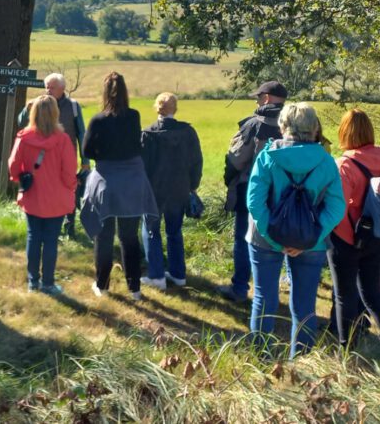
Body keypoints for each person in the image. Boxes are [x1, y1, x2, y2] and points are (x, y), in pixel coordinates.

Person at [245, 103, 344, 358]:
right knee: (305, 306)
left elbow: (254, 202)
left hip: (264, 239)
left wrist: (274, 238)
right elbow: (336, 207)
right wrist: (310, 239)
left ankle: (260, 359)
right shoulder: (326, 161)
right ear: (314, 127)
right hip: (312, 242)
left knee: (263, 299)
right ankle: (301, 364)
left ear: (282, 126)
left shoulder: (268, 156)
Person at [329, 109, 380, 350]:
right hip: (378, 237)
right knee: (372, 293)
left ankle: (346, 348)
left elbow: (338, 208)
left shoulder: (345, 165)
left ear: (344, 132)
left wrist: (333, 234)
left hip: (347, 238)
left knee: (344, 295)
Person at [79, 72, 158, 300]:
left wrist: (102, 155)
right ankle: (134, 288)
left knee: (104, 236)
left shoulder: (98, 120)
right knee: (129, 236)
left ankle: (102, 286)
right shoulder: (134, 116)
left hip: (106, 182)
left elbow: (86, 151)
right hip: (132, 181)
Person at [218, 81, 286, 303]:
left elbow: (236, 160)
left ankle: (239, 288)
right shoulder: (296, 123)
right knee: (280, 238)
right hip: (286, 193)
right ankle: (273, 287)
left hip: (252, 189)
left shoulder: (254, 124)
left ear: (266, 98)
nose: (257, 101)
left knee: (244, 238)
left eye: (258, 97)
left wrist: (229, 179)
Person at [9, 95, 77, 294]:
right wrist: (71, 186)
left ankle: (33, 281)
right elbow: (69, 172)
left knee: (33, 237)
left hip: (33, 196)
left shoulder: (23, 137)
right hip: (57, 198)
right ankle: (47, 282)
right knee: (50, 240)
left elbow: (12, 166)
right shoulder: (63, 140)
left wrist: (19, 178)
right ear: (55, 113)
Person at [140, 92, 203, 291]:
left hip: (154, 190)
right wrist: (192, 186)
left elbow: (142, 166)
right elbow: (196, 162)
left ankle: (156, 275)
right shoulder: (188, 132)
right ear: (175, 109)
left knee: (151, 230)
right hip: (180, 190)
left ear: (156, 108)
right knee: (174, 232)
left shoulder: (148, 133)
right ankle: (178, 274)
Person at [17, 73, 88, 236]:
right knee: (47, 193)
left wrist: (85, 160)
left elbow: (81, 133)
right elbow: (21, 123)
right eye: (46, 87)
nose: (48, 90)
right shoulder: (38, 104)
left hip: (66, 160)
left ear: (62, 89)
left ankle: (69, 229)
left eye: (52, 87)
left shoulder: (73, 106)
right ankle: (49, 228)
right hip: (43, 161)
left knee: (70, 192)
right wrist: (26, 109)